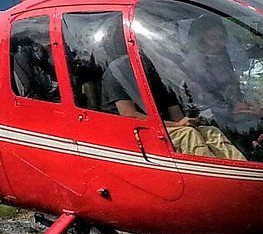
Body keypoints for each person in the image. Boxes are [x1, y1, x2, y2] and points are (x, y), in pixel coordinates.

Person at [101, 52, 246, 161]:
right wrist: (177, 125)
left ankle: (242, 174)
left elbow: (176, 113)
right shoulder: (118, 73)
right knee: (188, 135)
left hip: (162, 129)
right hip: (132, 134)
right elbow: (130, 116)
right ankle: (216, 180)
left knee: (211, 131)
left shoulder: (156, 75)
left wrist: (187, 123)